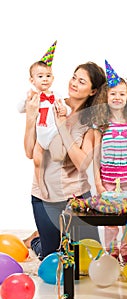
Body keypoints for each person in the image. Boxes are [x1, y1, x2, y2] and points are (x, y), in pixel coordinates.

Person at [23, 61, 106, 260]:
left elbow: (82, 164)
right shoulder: (52, 103)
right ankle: (37, 240)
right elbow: (28, 151)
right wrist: (30, 118)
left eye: (82, 81)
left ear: (93, 91)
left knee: (90, 258)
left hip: (76, 197)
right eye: (74, 77)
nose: (74, 83)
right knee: (54, 257)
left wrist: (62, 126)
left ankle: (46, 235)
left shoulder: (91, 123)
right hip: (46, 197)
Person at [92, 60, 127, 264]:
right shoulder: (101, 123)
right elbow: (96, 156)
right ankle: (112, 251)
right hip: (108, 178)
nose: (117, 97)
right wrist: (97, 183)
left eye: (122, 94)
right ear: (106, 96)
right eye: (113, 93)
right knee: (110, 219)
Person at [18, 41, 71, 198]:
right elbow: (20, 109)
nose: (45, 79)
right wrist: (26, 100)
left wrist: (65, 110)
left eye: (48, 76)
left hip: (54, 134)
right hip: (40, 139)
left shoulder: (56, 96)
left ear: (53, 78)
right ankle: (41, 184)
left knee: (58, 157)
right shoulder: (33, 97)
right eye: (40, 76)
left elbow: (67, 108)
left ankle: (58, 182)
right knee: (37, 160)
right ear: (32, 80)